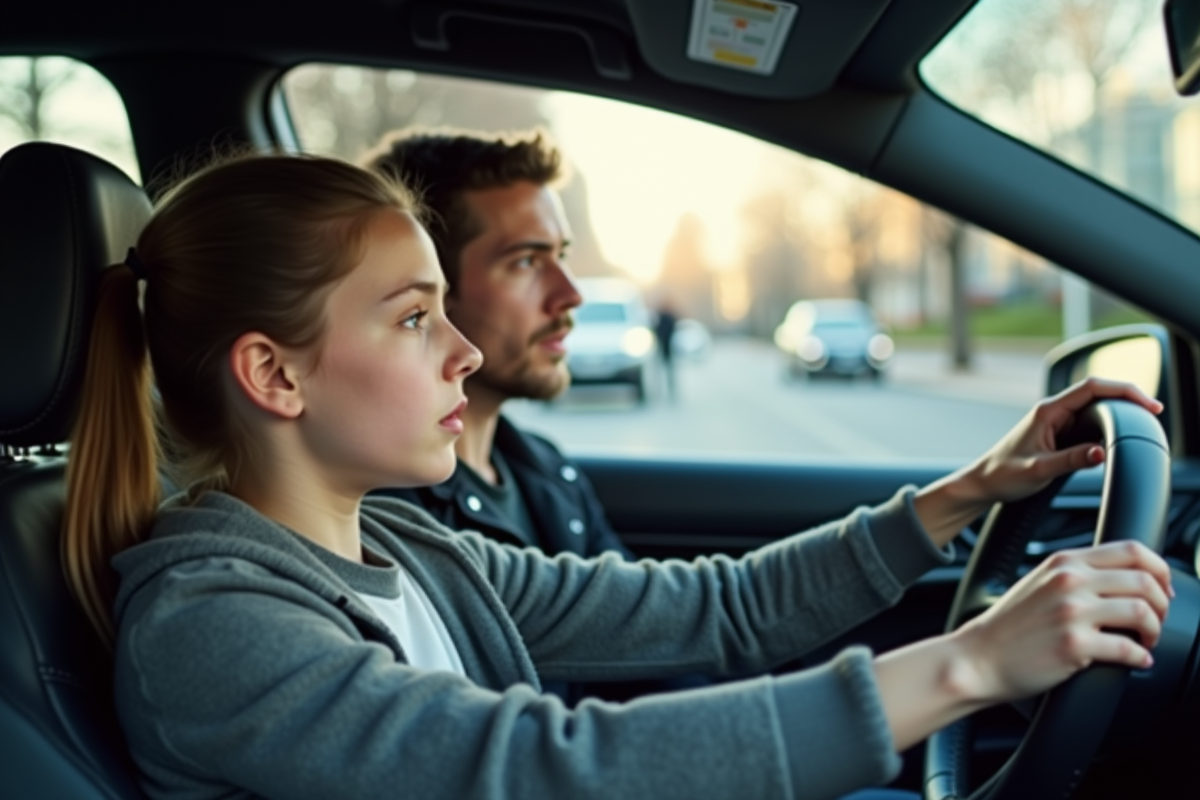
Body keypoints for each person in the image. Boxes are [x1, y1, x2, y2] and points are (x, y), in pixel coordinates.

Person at [64, 152, 1174, 800]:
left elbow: (715, 607)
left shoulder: (412, 549)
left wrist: (970, 487)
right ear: (274, 372)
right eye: (413, 317)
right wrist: (974, 660)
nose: (460, 351)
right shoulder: (212, 622)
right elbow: (552, 768)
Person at [359, 129, 631, 562]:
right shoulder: (384, 511)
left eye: (560, 256)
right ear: (431, 288)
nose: (571, 294)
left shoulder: (545, 465)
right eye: (525, 261)